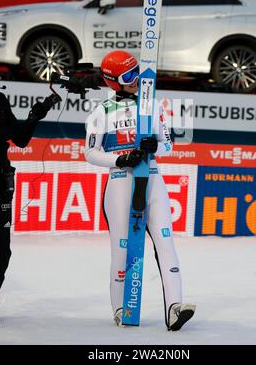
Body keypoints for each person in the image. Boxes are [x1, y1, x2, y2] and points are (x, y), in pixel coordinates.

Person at [85, 50, 196, 331]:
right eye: (129, 76)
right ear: (114, 81)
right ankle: (121, 308)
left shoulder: (152, 106)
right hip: (121, 181)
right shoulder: (101, 113)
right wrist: (119, 159)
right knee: (121, 248)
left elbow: (168, 143)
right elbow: (89, 152)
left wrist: (154, 146)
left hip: (153, 178)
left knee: (165, 240)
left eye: (138, 73)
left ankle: (175, 307)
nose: (137, 81)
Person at [0, 52, 52, 323]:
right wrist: (7, 132)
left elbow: (21, 139)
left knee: (1, 248)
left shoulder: (0, 100)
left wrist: (38, 113)